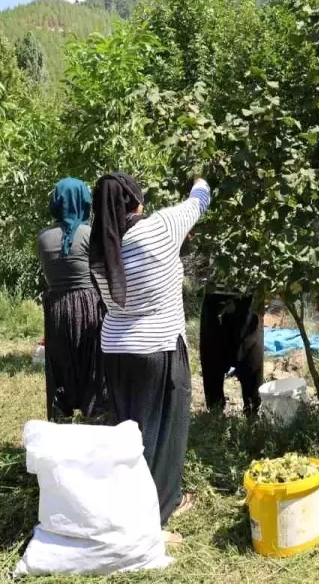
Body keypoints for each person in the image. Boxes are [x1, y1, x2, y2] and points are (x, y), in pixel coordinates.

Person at [89, 173, 211, 526]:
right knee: (163, 434)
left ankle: (131, 498)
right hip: (157, 347)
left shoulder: (98, 244)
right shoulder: (160, 227)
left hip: (115, 347)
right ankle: (156, 516)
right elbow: (200, 200)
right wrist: (199, 179)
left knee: (130, 430)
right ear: (136, 199)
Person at [38, 177, 105, 421]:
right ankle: (95, 412)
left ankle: (62, 413)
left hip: (56, 306)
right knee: (92, 363)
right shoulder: (90, 234)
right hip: (88, 304)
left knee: (62, 361)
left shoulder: (44, 236)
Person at [199, 290, 263, 416]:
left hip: (248, 294)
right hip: (214, 293)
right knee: (212, 360)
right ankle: (215, 413)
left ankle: (253, 413)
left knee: (251, 360)